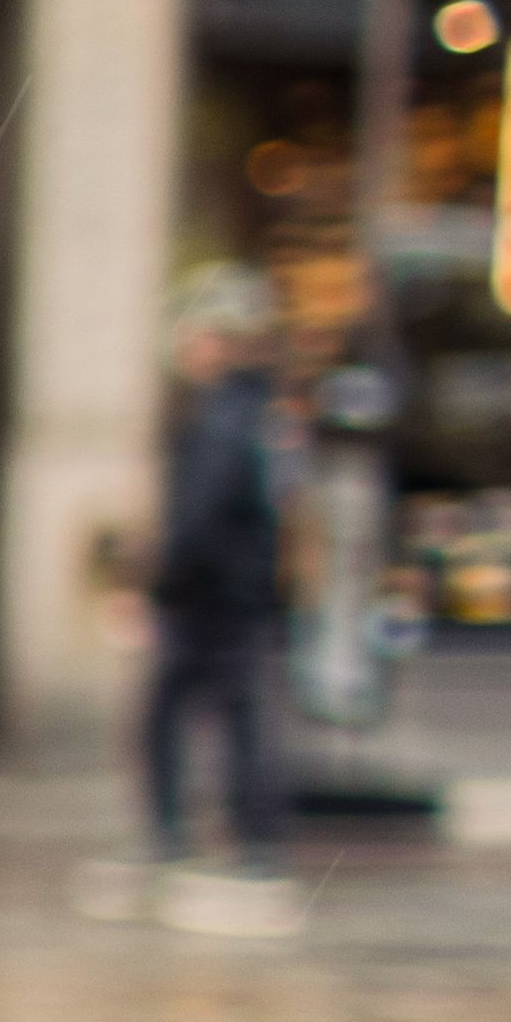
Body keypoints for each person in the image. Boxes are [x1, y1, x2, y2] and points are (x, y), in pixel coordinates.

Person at [127, 266, 299, 934]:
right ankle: (238, 840)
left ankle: (212, 840)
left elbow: (200, 508)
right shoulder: (252, 408)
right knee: (230, 712)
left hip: (212, 592)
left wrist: (161, 576)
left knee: (187, 711)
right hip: (232, 589)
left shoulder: (227, 413)